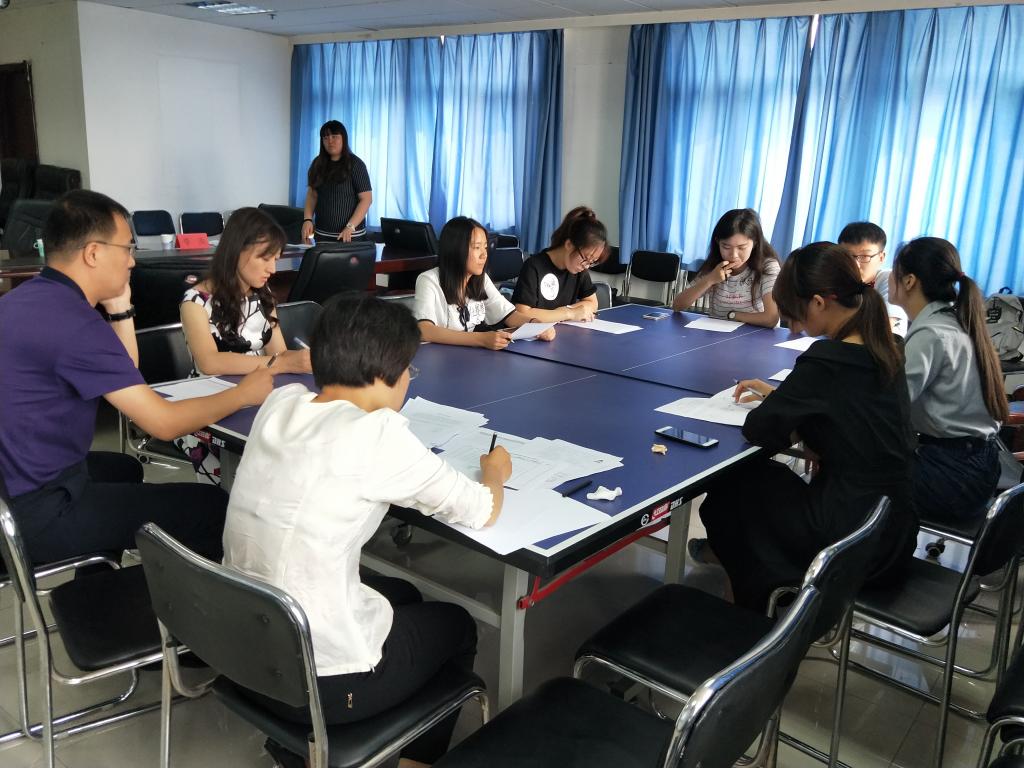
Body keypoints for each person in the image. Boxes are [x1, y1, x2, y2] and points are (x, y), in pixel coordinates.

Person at [223, 294, 512, 767]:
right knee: (458, 626)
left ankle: (295, 750)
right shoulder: (378, 434)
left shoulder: (281, 403)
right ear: (387, 374)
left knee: (405, 594)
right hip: (319, 686)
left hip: (241, 646)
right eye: (409, 371)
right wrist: (495, 472)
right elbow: (482, 510)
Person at [0, 190, 272, 566]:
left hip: (15, 482)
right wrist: (243, 394)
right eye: (127, 248)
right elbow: (162, 423)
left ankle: (96, 582)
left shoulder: (23, 299)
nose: (132, 261)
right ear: (93, 253)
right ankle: (173, 604)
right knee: (212, 507)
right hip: (35, 512)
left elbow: (121, 373)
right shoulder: (76, 323)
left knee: (124, 468)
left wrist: (118, 307)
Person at [693, 242, 916, 610]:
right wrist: (792, 402)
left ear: (819, 302)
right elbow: (850, 412)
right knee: (762, 485)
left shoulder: (827, 360)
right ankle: (742, 569)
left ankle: (750, 602)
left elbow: (760, 430)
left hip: (848, 543)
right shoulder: (887, 346)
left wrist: (788, 405)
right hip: (893, 529)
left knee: (732, 490)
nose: (795, 327)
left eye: (796, 316)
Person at [178, 207, 312, 483]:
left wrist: (302, 359)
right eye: (265, 258)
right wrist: (278, 363)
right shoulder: (196, 301)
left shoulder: (263, 295)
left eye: (276, 259)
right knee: (240, 479)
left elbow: (280, 352)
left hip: (258, 395)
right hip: (209, 407)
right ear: (237, 250)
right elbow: (210, 362)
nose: (272, 269)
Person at [888, 237, 1007, 523]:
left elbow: (891, 406)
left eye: (894, 270)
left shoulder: (931, 333)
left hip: (951, 475)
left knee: (851, 473)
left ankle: (867, 549)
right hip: (977, 466)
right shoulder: (954, 321)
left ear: (909, 281)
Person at [415, 216, 556, 350]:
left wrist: (536, 324)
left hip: (468, 356)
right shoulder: (428, 280)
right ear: (456, 249)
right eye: (477, 247)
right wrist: (481, 339)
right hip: (440, 357)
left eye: (485, 247)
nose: (484, 255)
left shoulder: (481, 279)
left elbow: (509, 315)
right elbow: (424, 330)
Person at [671, 208, 781, 328]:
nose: (734, 255)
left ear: (755, 242)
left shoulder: (768, 267)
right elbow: (677, 305)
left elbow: (771, 318)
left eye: (741, 247)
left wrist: (733, 315)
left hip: (755, 334)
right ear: (718, 242)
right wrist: (709, 280)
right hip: (716, 333)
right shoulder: (715, 265)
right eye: (726, 247)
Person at [510, 206, 606, 322]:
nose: (586, 266)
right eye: (586, 258)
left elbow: (592, 303)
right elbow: (522, 313)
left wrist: (563, 313)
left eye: (592, 262)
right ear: (569, 245)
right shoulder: (534, 266)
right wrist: (569, 313)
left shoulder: (579, 269)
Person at [300, 120, 372, 244]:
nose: (330, 141)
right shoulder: (317, 164)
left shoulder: (356, 164)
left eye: (334, 136)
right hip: (322, 236)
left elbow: (366, 199)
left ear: (343, 138)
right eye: (325, 138)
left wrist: (350, 226)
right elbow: (312, 195)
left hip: (350, 237)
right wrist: (307, 220)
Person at [838, 221, 908, 334]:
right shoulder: (835, 279)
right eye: (848, 256)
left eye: (865, 256)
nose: (855, 264)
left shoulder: (890, 280)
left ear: (881, 257)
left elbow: (884, 328)